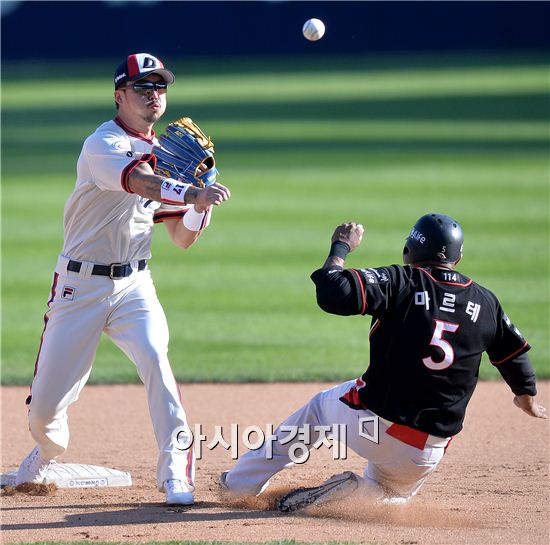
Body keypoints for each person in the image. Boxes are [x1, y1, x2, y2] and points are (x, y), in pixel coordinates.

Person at [16, 53, 231, 506]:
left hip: (135, 286)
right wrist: (194, 190)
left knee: (156, 361)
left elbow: (181, 238)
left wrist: (201, 203)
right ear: (119, 96)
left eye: (160, 87)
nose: (154, 95)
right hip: (79, 287)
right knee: (45, 411)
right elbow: (143, 184)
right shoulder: (102, 144)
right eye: (142, 87)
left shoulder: (172, 156)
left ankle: (176, 472)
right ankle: (48, 451)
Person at [221, 213, 546, 510]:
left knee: (319, 410)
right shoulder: (486, 302)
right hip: (424, 453)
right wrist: (526, 394)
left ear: (409, 250)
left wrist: (341, 247)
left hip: (371, 426)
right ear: (458, 258)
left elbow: (333, 292)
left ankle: (238, 486)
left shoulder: (401, 281)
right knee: (392, 494)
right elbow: (513, 352)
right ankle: (353, 494)